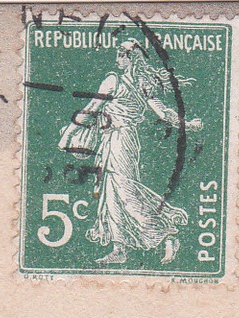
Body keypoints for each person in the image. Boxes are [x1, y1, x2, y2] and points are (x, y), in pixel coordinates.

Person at [57, 38, 203, 268]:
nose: (117, 59)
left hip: (119, 139)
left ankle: (165, 233)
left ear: (131, 57)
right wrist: (189, 124)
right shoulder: (136, 82)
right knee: (111, 192)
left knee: (125, 191)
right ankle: (119, 248)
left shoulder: (115, 81)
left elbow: (90, 110)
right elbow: (164, 113)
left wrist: (68, 135)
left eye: (120, 54)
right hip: (117, 139)